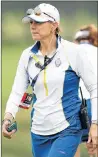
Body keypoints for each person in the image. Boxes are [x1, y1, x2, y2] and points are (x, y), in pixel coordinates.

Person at [2, 3, 98, 157]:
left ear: (54, 25)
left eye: (39, 22)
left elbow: (94, 88)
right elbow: (16, 92)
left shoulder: (73, 52)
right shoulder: (26, 56)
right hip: (38, 133)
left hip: (68, 129)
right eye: (31, 22)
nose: (33, 26)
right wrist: (8, 117)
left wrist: (95, 124)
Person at [73, 24, 98, 157]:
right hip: (95, 104)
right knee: (94, 149)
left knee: (72, 146)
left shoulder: (70, 53)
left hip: (74, 103)